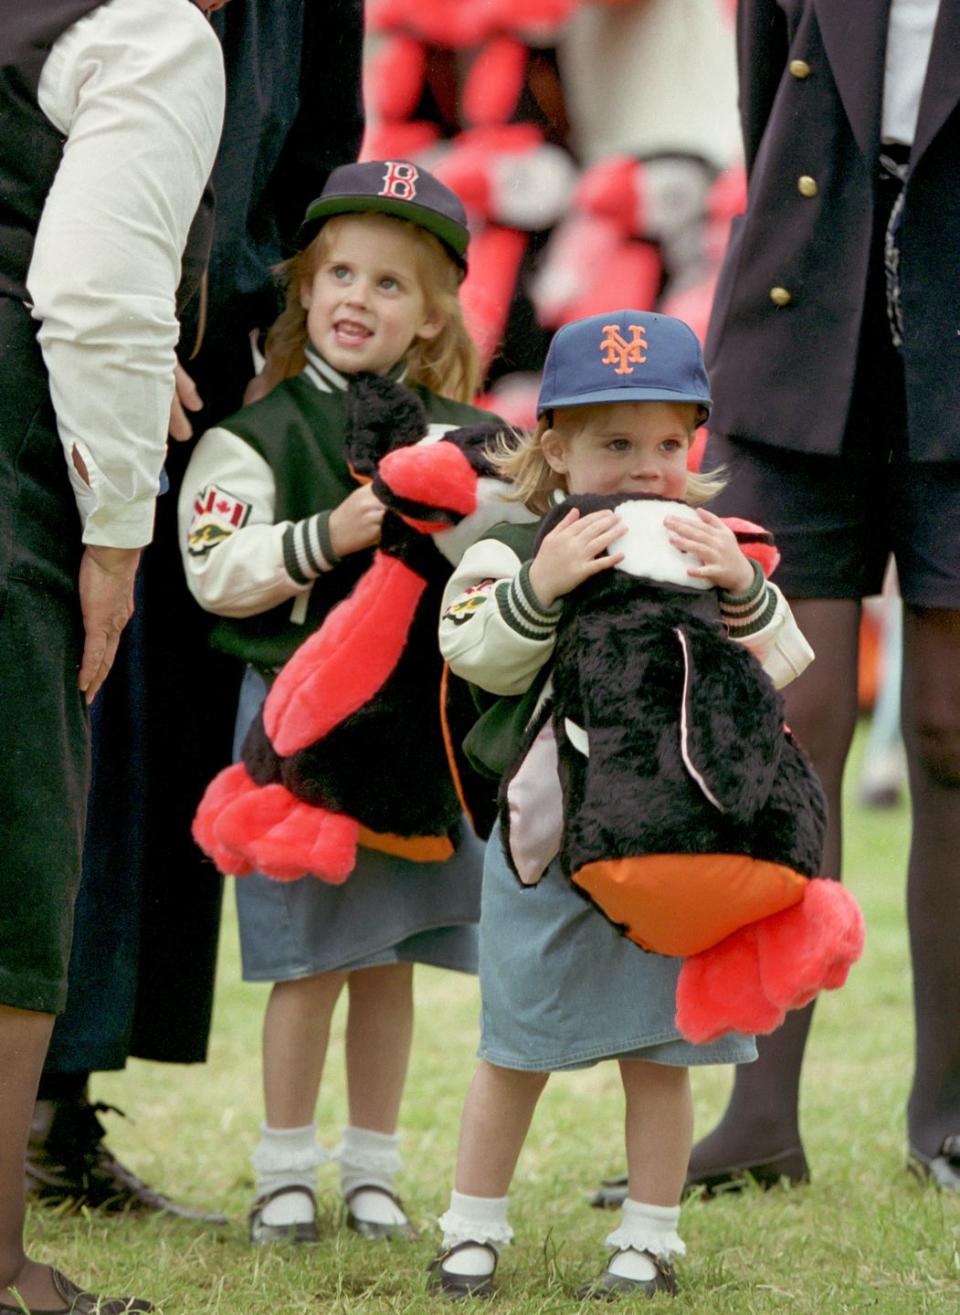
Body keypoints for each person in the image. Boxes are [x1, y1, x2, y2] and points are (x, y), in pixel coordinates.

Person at [26, 0, 367, 1220]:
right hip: (62, 336)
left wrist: (281, 331)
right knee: (57, 730)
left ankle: (62, 1108)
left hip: (217, 373)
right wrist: (118, 318)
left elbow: (321, 148)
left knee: (161, 744)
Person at [428, 309, 816, 1300]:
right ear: (554, 446)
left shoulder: (715, 542)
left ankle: (650, 1237)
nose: (645, 468)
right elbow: (470, 652)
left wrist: (741, 589)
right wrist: (542, 585)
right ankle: (471, 1226)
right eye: (613, 443)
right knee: (514, 1044)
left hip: (672, 843)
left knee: (664, 1052)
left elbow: (782, 669)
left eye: (666, 444)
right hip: (546, 841)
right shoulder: (507, 545)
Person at [178, 160, 495, 1245]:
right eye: (341, 274)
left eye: (392, 283)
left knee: (390, 956)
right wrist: (332, 535)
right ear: (305, 291)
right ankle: (282, 1172)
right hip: (298, 733)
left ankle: (372, 1168)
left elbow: (505, 558)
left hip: (416, 736)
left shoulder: (469, 436)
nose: (360, 298)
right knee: (305, 959)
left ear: (433, 312)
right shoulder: (253, 435)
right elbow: (214, 566)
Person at [683, 0, 960, 1195]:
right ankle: (759, 1116)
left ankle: (949, 1114)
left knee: (953, 730)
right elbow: (769, 108)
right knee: (789, 721)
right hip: (804, 328)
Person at [0, 0, 224, 1310]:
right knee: (20, 848)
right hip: (16, 451)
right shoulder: (154, 33)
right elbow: (92, 294)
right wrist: (116, 533)